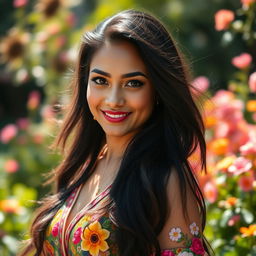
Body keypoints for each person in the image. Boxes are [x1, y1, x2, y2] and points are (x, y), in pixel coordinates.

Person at [20, 9, 212, 256]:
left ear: (158, 90)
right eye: (101, 80)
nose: (113, 100)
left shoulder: (165, 179)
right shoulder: (84, 167)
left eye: (133, 83)